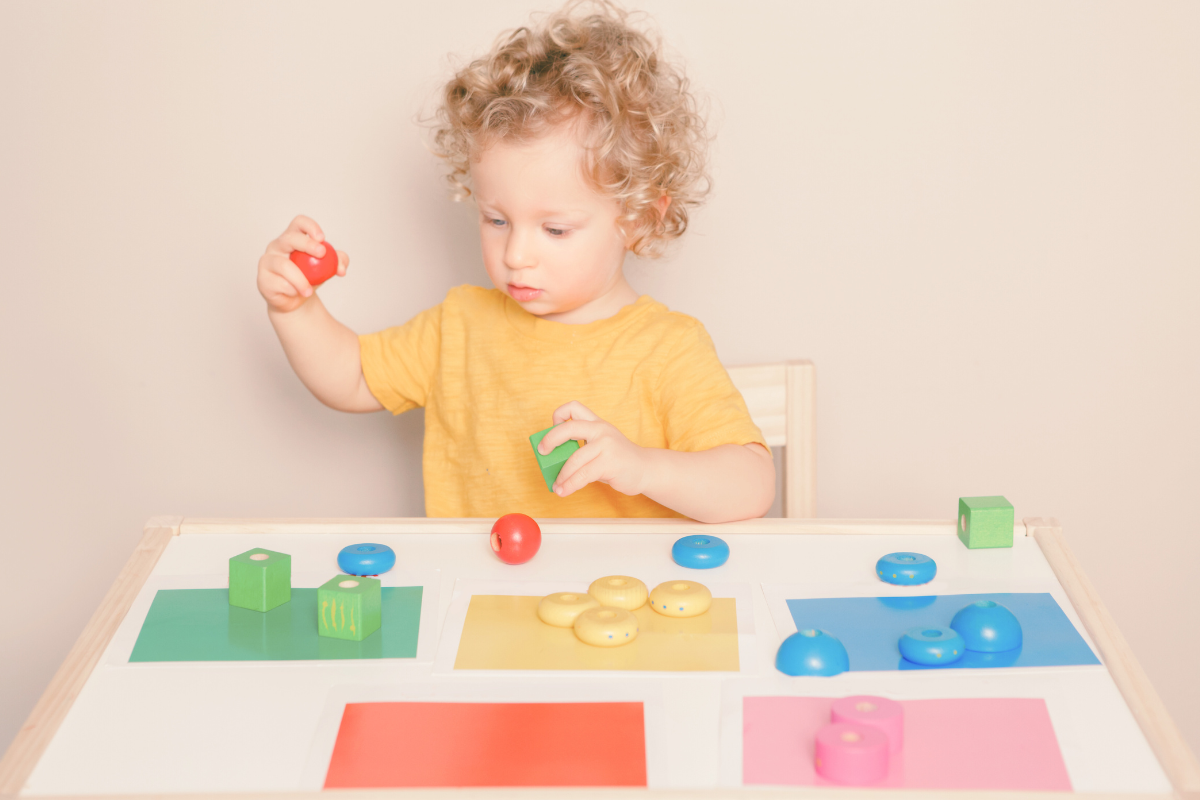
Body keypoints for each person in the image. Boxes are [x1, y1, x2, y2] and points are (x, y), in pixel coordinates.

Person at [255, 1, 774, 523]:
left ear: (638, 220)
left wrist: (642, 467)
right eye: (496, 220)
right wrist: (295, 308)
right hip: (475, 599)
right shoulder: (459, 326)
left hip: (615, 603)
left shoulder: (667, 349)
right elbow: (350, 379)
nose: (515, 255)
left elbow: (751, 486)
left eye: (555, 229)